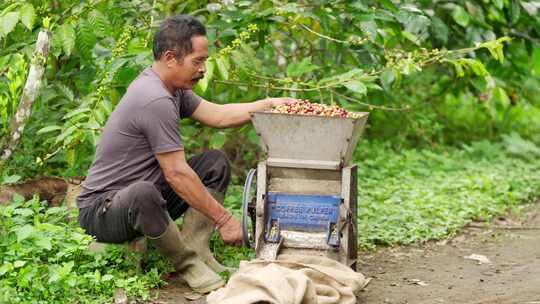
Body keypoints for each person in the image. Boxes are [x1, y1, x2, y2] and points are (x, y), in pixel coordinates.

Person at [76, 14, 297, 294]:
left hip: (140, 196)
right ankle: (187, 263)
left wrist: (270, 104)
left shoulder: (172, 88)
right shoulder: (154, 98)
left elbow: (218, 115)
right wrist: (226, 221)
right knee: (144, 193)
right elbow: (176, 174)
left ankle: (198, 249)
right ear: (171, 58)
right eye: (198, 61)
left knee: (214, 162)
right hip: (102, 211)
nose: (203, 69)